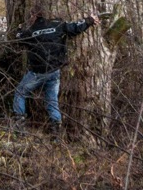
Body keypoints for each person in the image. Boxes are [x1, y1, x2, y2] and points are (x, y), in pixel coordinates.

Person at [12, 8, 99, 138]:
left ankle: (19, 126)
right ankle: (56, 130)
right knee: (52, 100)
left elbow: (18, 38)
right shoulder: (57, 25)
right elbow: (75, 27)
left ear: (33, 16)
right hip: (54, 71)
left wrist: (18, 30)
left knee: (20, 92)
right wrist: (89, 20)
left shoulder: (30, 32)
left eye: (30, 16)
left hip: (38, 72)